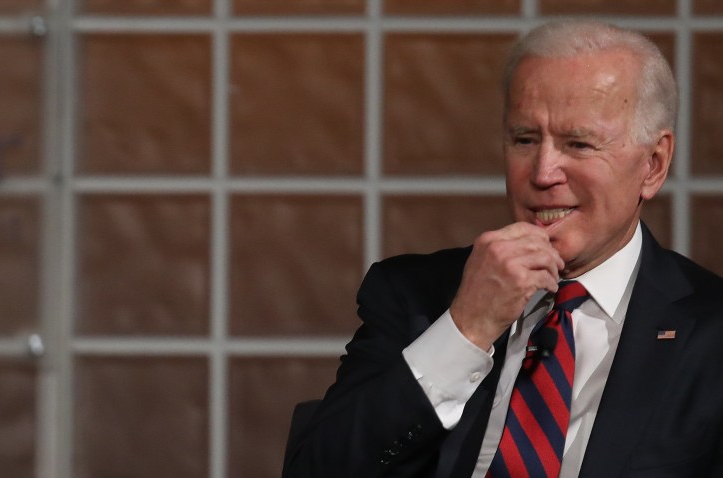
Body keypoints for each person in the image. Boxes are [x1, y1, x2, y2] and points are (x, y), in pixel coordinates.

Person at [282, 19, 723, 478]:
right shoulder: (412, 296)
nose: (543, 172)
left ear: (652, 165)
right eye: (525, 140)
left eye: (579, 143)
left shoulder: (711, 335)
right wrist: (465, 329)